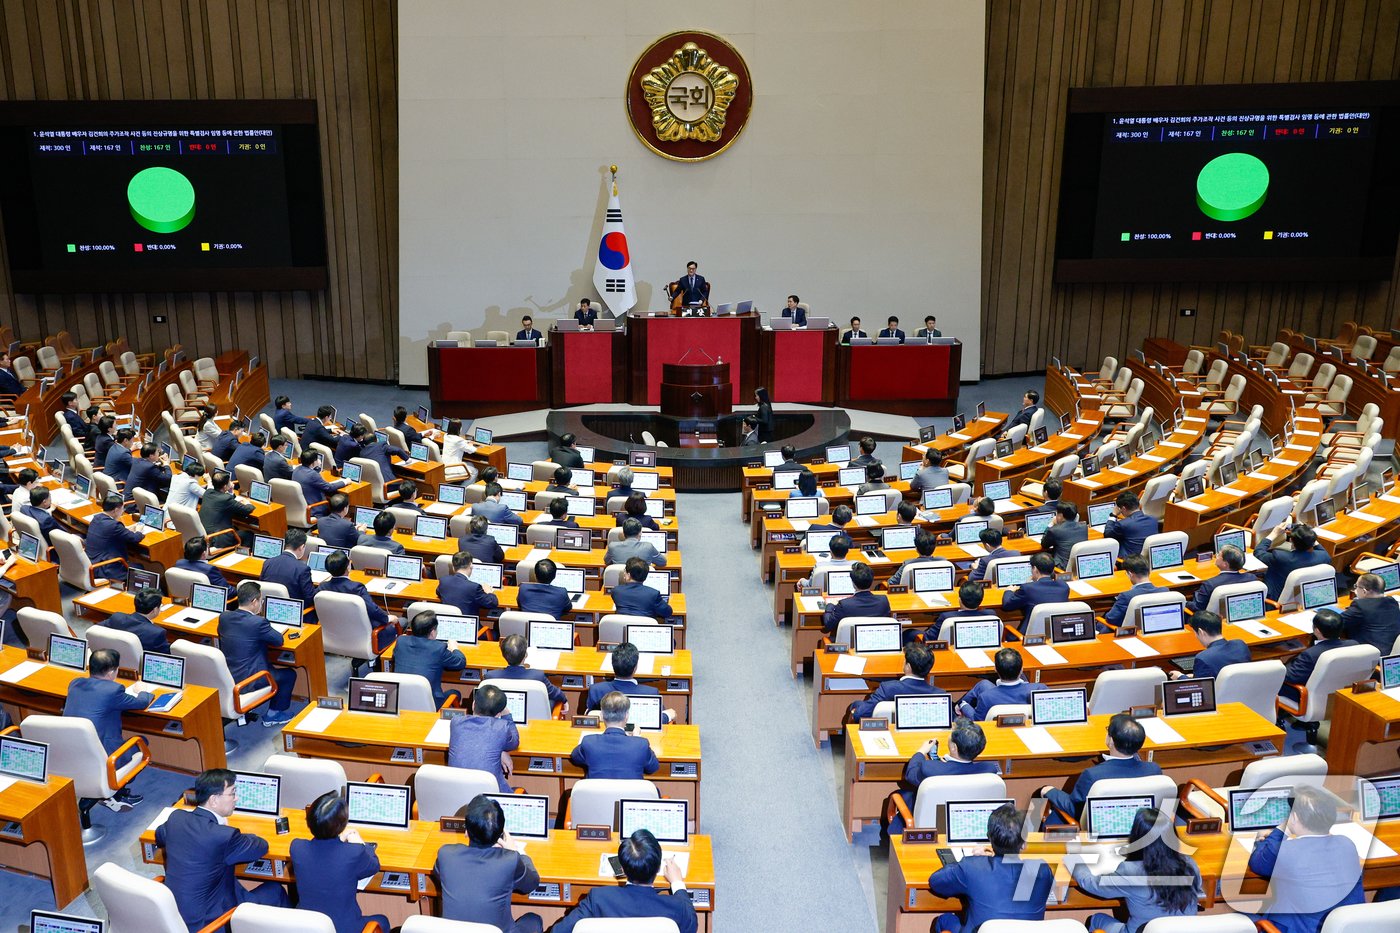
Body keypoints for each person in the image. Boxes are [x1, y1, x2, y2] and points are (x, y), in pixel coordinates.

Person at [156, 768, 289, 927]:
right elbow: (261, 846)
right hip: (211, 923)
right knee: (276, 890)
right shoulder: (223, 836)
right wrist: (239, 833)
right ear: (214, 800)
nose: (236, 798)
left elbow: (160, 835)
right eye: (232, 793)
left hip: (174, 915)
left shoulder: (176, 818)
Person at [1249, 785, 1364, 933]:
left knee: (1240, 919)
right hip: (1349, 928)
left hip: (1299, 929)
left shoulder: (1285, 851)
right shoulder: (1347, 844)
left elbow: (1257, 862)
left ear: (1294, 817)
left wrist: (1282, 828)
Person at [1072, 807, 1204, 933]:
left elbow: (1090, 883)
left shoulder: (1130, 872)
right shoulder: (1190, 865)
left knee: (1096, 919)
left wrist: (1075, 859)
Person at [927, 803, 1053, 931]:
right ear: (1024, 844)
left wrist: (975, 860)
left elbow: (936, 881)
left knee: (944, 920)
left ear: (989, 838)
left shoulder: (973, 867)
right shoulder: (1043, 871)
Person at [435, 796, 544, 933]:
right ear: (501, 834)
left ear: (466, 832)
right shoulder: (510, 860)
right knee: (534, 920)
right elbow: (532, 883)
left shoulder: (445, 854)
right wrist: (518, 852)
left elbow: (440, 874)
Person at [554, 829, 695, 933]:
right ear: (659, 867)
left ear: (621, 867)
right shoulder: (676, 906)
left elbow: (559, 931)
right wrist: (677, 882)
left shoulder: (599, 898)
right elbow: (692, 924)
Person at [63, 647, 151, 810]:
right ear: (111, 672)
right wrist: (142, 690)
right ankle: (117, 793)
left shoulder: (75, 683)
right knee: (141, 742)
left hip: (72, 753)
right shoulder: (113, 690)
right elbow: (142, 703)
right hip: (105, 757)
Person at [290, 793, 391, 933]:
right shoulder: (353, 852)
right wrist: (361, 843)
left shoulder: (297, 847)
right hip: (343, 928)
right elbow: (373, 866)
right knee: (382, 921)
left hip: (307, 926)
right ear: (342, 824)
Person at [1041, 714, 1162, 821]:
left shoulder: (1093, 775)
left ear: (1111, 741)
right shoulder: (1154, 770)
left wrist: (1049, 790)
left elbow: (1076, 810)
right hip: (1141, 828)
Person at [890, 718, 999, 835]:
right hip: (967, 823)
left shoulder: (930, 769)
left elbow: (911, 774)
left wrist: (920, 752)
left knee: (901, 794)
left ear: (954, 748)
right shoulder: (989, 771)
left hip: (929, 825)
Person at [218, 582, 296, 727]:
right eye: (261, 600)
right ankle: (274, 714)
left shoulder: (224, 617)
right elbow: (279, 640)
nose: (261, 604)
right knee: (289, 674)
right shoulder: (258, 623)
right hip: (251, 679)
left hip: (229, 675)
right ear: (254, 602)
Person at [319, 551, 399, 655]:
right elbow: (373, 610)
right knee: (400, 622)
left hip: (334, 634)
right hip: (366, 635)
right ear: (348, 567)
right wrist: (387, 618)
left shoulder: (322, 588)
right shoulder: (356, 588)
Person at [568, 691, 658, 779]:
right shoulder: (641, 744)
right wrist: (636, 739)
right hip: (631, 794)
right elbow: (653, 768)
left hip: (598, 794)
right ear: (627, 716)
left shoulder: (589, 741)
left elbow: (575, 757)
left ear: (601, 715)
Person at [447, 684, 518, 790]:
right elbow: (514, 742)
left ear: (473, 704)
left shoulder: (456, 722)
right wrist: (507, 715)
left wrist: (500, 752)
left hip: (457, 793)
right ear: (498, 714)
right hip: (489, 800)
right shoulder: (501, 727)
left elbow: (476, 741)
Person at [849, 642, 944, 720]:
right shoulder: (940, 695)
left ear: (908, 667)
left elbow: (860, 714)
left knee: (856, 705)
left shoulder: (888, 688)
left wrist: (854, 706)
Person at [584, 642, 676, 722]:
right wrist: (667, 715)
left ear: (612, 665)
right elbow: (656, 719)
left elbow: (590, 717)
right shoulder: (651, 693)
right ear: (635, 668)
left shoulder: (596, 690)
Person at [393, 610, 467, 709]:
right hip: (430, 704)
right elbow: (460, 663)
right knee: (455, 693)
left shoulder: (401, 641)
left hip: (401, 702)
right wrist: (454, 648)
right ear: (432, 633)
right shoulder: (438, 648)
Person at [1280, 608, 1358, 702]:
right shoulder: (1354, 645)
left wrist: (1281, 664)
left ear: (1317, 631)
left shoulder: (1311, 655)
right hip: (1342, 695)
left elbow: (1289, 677)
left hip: (1307, 697)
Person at [958, 647, 1046, 719]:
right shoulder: (1040, 689)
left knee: (983, 685)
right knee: (983, 684)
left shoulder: (986, 697)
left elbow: (977, 720)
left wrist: (963, 704)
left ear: (995, 669)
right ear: (1021, 670)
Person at [487, 634, 567, 712]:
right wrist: (564, 699)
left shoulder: (490, 677)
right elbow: (554, 693)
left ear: (503, 655)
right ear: (526, 655)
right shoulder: (538, 676)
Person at [1255, 522, 1330, 602]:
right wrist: (1307, 534)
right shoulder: (1324, 557)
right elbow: (1317, 546)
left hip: (1275, 599)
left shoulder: (1281, 558)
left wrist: (1274, 534)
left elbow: (1258, 552)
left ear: (1291, 540)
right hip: (1305, 599)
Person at [1173, 609, 1251, 680]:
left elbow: (1201, 688)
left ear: (1200, 632)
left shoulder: (1203, 658)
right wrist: (1195, 675)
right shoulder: (1240, 645)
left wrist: (1180, 676)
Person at [85, 493, 146, 579]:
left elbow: (111, 532)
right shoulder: (114, 525)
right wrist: (139, 531)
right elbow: (135, 538)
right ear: (116, 510)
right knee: (140, 568)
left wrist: (126, 530)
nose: (123, 511)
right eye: (122, 508)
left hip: (92, 563)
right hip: (106, 568)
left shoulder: (96, 518)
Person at [1000, 552, 1070, 628]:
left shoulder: (1027, 588)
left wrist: (1009, 591)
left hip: (1030, 634)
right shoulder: (1064, 586)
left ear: (1035, 569)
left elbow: (1007, 605)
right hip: (1056, 632)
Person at [821, 561, 891, 635]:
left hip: (848, 644)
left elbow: (828, 625)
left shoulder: (844, 605)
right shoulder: (883, 601)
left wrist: (829, 605)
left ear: (853, 583)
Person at [98, 588, 170, 656]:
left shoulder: (117, 617)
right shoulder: (157, 633)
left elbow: (97, 629)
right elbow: (167, 656)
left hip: (113, 657)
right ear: (154, 610)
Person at [1342, 571, 1400, 654]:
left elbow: (1337, 623)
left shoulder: (1360, 606)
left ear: (1364, 591)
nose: (1355, 589)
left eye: (1356, 586)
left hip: (1372, 655)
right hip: (1392, 652)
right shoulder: (1392, 601)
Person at [1103, 554, 1166, 630]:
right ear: (1149, 571)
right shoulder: (1164, 591)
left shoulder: (1127, 596)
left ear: (1130, 574)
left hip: (1128, 633)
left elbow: (1111, 618)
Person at [921, 580, 994, 643]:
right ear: (981, 600)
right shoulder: (991, 615)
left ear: (960, 599)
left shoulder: (947, 617)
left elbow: (927, 639)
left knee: (911, 633)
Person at [260, 528, 317, 608]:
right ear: (302, 547)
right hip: (295, 612)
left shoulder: (268, 563)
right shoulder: (302, 569)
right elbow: (310, 598)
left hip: (270, 609)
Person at [199, 470, 255, 549]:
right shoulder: (225, 499)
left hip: (205, 534)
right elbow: (247, 509)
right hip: (218, 538)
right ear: (225, 486)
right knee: (249, 535)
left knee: (237, 528)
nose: (231, 483)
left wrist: (231, 492)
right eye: (229, 481)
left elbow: (226, 502)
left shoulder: (208, 492)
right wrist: (248, 502)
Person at [1189, 544, 1255, 612]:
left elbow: (1197, 608)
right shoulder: (1251, 578)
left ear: (1225, 564)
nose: (1216, 556)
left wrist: (1185, 602)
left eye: (1218, 555)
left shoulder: (1210, 584)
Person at [439, 550, 500, 617]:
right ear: (471, 565)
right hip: (469, 626)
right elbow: (493, 603)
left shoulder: (444, 581)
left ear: (453, 568)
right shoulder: (474, 587)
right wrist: (489, 592)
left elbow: (439, 592)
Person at [1104, 491, 1158, 557]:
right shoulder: (1153, 519)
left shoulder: (1123, 524)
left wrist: (1113, 515)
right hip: (1147, 559)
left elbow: (1107, 535)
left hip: (1128, 561)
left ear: (1123, 508)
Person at [293, 449, 344, 518]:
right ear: (313, 462)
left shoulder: (297, 469)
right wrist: (345, 482)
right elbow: (329, 488)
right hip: (315, 510)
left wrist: (316, 467)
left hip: (302, 507)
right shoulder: (312, 475)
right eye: (317, 459)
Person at [1040, 501, 1087, 570]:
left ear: (1060, 516)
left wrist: (1051, 524)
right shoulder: (1084, 527)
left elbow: (1044, 544)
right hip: (1078, 567)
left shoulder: (1055, 530)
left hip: (1061, 568)